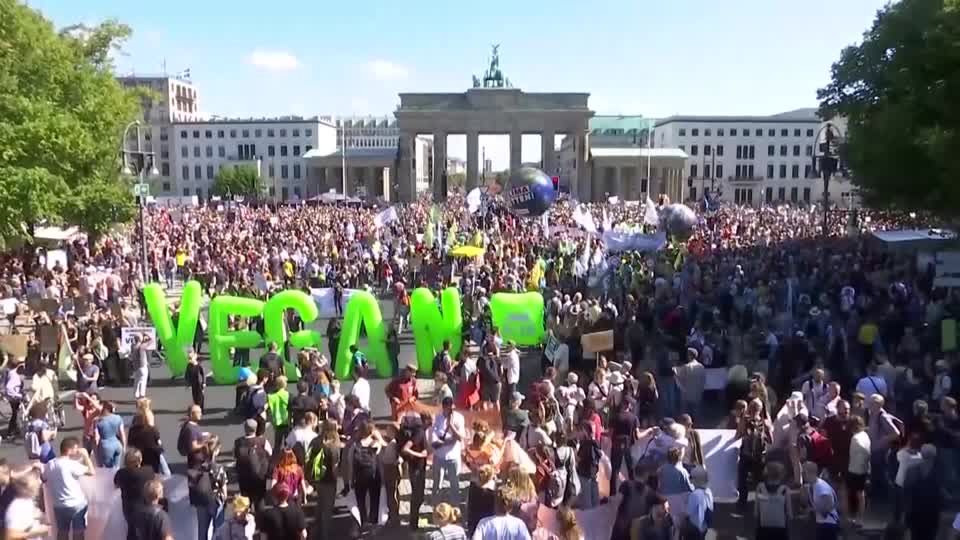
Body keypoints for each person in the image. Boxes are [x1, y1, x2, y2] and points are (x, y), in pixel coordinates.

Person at [44, 437, 95, 540]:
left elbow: (44, 478)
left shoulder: (50, 464)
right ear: (69, 449)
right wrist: (86, 456)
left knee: (62, 532)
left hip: (59, 504)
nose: (77, 451)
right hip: (76, 504)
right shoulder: (71, 464)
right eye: (76, 448)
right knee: (78, 532)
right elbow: (91, 472)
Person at [306, 420, 340, 540]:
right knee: (327, 510)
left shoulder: (315, 441)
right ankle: (324, 535)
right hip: (329, 481)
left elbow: (308, 458)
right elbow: (335, 468)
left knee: (320, 505)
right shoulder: (333, 445)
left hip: (317, 479)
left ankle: (314, 532)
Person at [431, 396, 466, 507]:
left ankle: (455, 509)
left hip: (453, 457)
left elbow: (460, 438)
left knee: (454, 485)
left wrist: (451, 426)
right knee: (437, 485)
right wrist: (448, 441)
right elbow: (435, 436)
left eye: (451, 408)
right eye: (446, 408)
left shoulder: (459, 418)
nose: (449, 411)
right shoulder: (438, 418)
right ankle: (436, 508)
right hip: (439, 456)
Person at [904, 444, 942, 540]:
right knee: (929, 535)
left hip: (915, 510)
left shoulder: (912, 470)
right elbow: (941, 490)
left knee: (916, 535)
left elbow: (906, 488)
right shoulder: (938, 471)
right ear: (934, 456)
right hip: (931, 511)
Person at [114, 448, 156, 535]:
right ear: (140, 459)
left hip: (130, 511)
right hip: (148, 508)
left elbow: (116, 485)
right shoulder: (149, 470)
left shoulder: (122, 473)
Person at [233, 419, 272, 512]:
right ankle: (260, 522)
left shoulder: (238, 442)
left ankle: (247, 521)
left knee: (245, 503)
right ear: (256, 428)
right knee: (260, 502)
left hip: (244, 478)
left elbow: (235, 456)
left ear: (245, 429)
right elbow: (270, 454)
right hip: (259, 477)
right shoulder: (263, 441)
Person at [399, 412, 429, 530]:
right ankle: (413, 524)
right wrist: (420, 455)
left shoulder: (415, 431)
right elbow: (405, 449)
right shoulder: (419, 432)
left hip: (415, 466)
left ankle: (414, 521)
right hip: (417, 468)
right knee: (417, 496)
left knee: (417, 496)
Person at [3, 471, 49, 540]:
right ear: (27, 488)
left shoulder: (28, 501)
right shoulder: (16, 507)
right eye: (36, 483)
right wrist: (37, 532)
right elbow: (10, 537)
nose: (38, 485)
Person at [754, 462, 791, 540]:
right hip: (780, 528)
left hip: (763, 527)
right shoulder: (785, 489)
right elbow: (789, 513)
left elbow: (756, 512)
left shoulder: (760, 488)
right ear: (781, 474)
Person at [802, 461, 839, 540]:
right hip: (822, 523)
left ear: (811, 473)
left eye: (804, 473)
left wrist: (811, 510)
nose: (803, 475)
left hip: (829, 524)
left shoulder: (821, 487)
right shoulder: (811, 486)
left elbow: (826, 509)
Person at [846, 416, 870, 527]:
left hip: (855, 470)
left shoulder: (855, 438)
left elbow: (864, 451)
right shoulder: (865, 435)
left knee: (856, 495)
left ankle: (854, 518)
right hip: (863, 469)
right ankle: (860, 518)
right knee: (861, 495)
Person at [674, 347, 706, 418]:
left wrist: (675, 372)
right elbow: (703, 380)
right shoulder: (701, 366)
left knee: (685, 414)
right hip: (698, 393)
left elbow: (679, 377)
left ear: (690, 355)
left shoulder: (686, 366)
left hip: (687, 393)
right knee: (696, 413)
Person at [466, 464, 497, 536]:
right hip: (488, 518)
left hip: (473, 517)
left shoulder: (473, 486)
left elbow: (468, 502)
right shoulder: (492, 490)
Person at [683, 467, 713, 540]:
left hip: (695, 527)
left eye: (691, 477)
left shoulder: (695, 494)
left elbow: (688, 512)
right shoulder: (708, 491)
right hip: (704, 526)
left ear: (696, 479)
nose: (690, 479)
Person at [95, 401, 126, 468]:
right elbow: (122, 434)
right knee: (117, 467)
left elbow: (96, 438)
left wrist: (97, 452)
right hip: (117, 444)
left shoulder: (97, 420)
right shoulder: (118, 418)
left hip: (105, 446)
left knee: (108, 469)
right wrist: (124, 446)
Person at [266, 375, 291, 450]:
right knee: (288, 444)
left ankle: (276, 458)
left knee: (277, 444)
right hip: (287, 422)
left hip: (277, 423)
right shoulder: (289, 395)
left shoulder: (271, 396)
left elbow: (268, 410)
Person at [131, 334, 153, 400]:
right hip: (142, 366)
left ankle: (136, 395)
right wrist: (146, 335)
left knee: (136, 381)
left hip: (136, 366)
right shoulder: (142, 346)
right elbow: (151, 340)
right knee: (143, 381)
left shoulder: (133, 346)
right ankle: (142, 395)